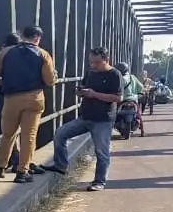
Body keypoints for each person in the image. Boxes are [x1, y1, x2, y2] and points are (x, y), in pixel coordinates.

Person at [42, 46, 123, 192]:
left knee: (101, 152)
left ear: (106, 60)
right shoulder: (91, 72)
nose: (93, 65)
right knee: (60, 133)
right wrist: (80, 92)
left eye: (97, 62)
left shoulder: (115, 75)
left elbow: (117, 97)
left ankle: (99, 181)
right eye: (91, 62)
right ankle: (60, 165)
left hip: (103, 120)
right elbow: (85, 87)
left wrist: (94, 94)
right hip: (85, 117)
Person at [0, 25, 56, 183]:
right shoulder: (43, 54)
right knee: (28, 135)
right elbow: (50, 80)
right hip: (34, 98)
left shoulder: (5, 52)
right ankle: (22, 172)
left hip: (11, 98)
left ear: (23, 35)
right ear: (37, 37)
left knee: (8, 133)